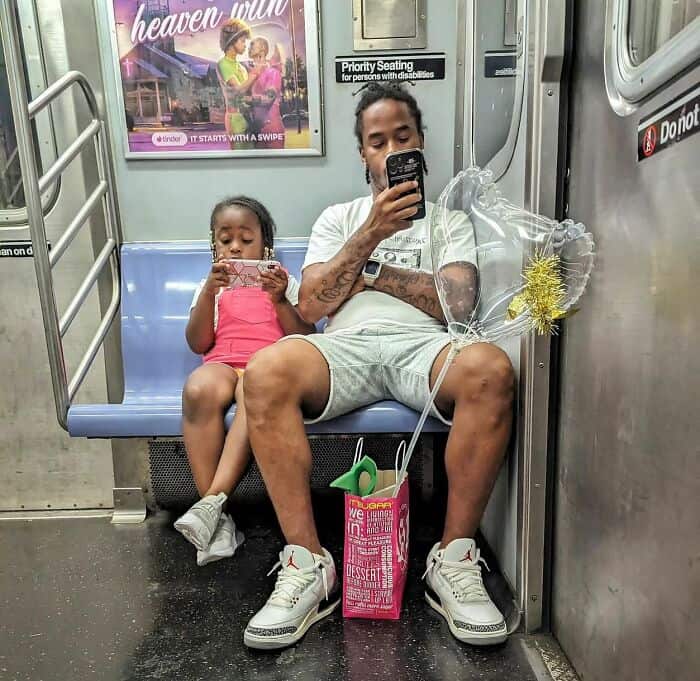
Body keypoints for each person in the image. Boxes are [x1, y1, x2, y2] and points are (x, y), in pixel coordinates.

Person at [241, 83, 515, 649]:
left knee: (491, 369)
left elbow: (457, 304)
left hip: (423, 346)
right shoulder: (338, 219)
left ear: (421, 143)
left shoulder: (448, 222)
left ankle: (454, 558)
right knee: (264, 371)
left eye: (402, 137)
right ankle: (306, 564)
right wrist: (371, 233)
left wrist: (370, 275)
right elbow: (311, 307)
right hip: (346, 347)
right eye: (377, 141)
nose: (391, 151)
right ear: (362, 152)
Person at [174, 196, 315, 566]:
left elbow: (306, 338)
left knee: (254, 385)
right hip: (222, 363)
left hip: (267, 369)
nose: (235, 247)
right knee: (198, 389)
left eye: (246, 239)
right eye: (225, 240)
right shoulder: (211, 288)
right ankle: (217, 520)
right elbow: (198, 343)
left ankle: (211, 504)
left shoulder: (284, 283)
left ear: (265, 245)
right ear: (214, 245)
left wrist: (280, 300)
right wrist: (209, 292)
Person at [216, 19, 262, 150]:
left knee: (252, 153)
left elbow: (246, 95)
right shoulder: (223, 64)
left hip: (248, 117)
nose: (245, 45)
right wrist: (255, 73)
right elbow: (238, 90)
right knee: (240, 154)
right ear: (231, 42)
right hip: (235, 118)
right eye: (242, 41)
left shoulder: (241, 67)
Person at [247, 37, 285, 149]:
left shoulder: (273, 72)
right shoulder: (251, 74)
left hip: (272, 128)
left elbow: (269, 98)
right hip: (256, 130)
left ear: (263, 49)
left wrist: (247, 99)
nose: (249, 47)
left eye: (252, 44)